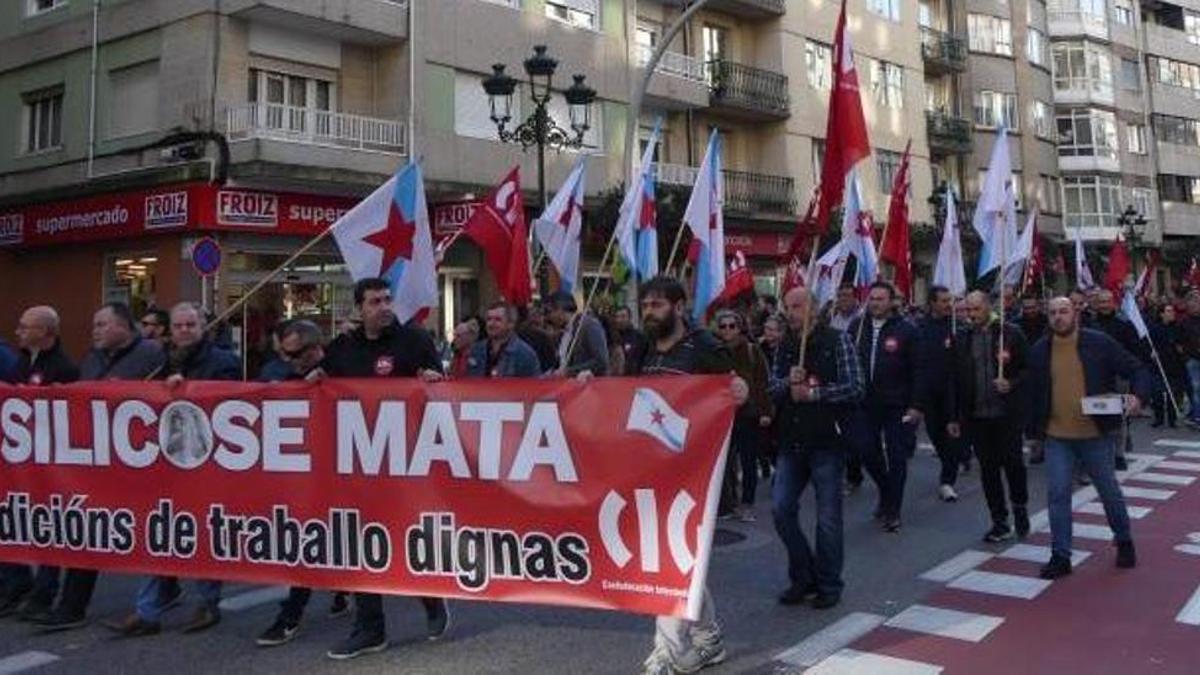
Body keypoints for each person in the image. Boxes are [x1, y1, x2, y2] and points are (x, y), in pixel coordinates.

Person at [617, 276, 748, 675]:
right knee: (676, 558)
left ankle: (668, 652)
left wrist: (739, 388)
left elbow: (738, 389)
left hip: (694, 472)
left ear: (678, 305)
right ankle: (708, 638)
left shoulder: (705, 347)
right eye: (645, 305)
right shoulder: (640, 347)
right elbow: (625, 396)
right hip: (650, 469)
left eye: (657, 304)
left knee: (670, 557)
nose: (649, 312)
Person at [320, 278, 450, 660]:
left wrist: (433, 380)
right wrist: (310, 382)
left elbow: (441, 391)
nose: (383, 306)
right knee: (364, 543)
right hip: (358, 464)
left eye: (387, 299)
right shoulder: (343, 348)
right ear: (359, 308)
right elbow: (321, 389)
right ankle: (370, 629)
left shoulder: (414, 341)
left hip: (407, 460)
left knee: (409, 539)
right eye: (374, 301)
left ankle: (430, 597)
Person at [106, 302, 239, 638]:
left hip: (205, 464)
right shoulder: (161, 361)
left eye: (190, 325)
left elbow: (231, 406)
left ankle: (208, 601)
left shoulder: (223, 362)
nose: (183, 331)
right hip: (165, 462)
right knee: (157, 533)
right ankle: (146, 611)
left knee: (201, 535)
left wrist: (187, 390)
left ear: (203, 326)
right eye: (178, 325)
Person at [36, 302, 166, 632]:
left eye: (102, 324)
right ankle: (70, 604)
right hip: (98, 461)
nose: (95, 330)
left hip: (141, 461)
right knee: (86, 526)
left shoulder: (152, 356)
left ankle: (157, 600)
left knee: (153, 531)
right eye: (94, 324)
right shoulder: (92, 358)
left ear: (124, 327)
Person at [1027, 298, 1152, 579]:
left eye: (1064, 312)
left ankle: (1124, 541)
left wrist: (1138, 396)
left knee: (1109, 492)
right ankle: (1061, 555)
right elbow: (1033, 393)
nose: (1058, 317)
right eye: (1053, 313)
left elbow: (1138, 369)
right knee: (1058, 495)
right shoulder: (1039, 351)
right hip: (1057, 437)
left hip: (1095, 435)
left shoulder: (1099, 343)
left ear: (1076, 315)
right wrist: (1033, 433)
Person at [254, 320, 351, 647]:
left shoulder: (340, 367)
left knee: (335, 534)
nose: (287, 360)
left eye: (294, 354)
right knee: (306, 542)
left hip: (340, 469)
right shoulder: (277, 369)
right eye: (283, 352)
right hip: (299, 471)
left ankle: (299, 611)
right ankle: (294, 612)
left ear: (314, 349)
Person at [771, 286, 863, 612]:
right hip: (791, 441)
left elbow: (854, 386)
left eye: (798, 306)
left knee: (828, 518)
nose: (792, 312)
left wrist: (815, 392)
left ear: (813, 307)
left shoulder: (838, 340)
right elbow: (772, 386)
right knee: (781, 509)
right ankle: (803, 573)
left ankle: (828, 582)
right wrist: (787, 383)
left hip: (827, 440)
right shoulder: (784, 346)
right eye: (788, 306)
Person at [0, 306, 79, 620]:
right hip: (21, 459)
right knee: (13, 520)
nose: (18, 331)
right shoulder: (22, 362)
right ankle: (15, 584)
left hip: (51, 462)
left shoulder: (64, 368)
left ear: (45, 332)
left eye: (24, 326)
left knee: (50, 526)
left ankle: (44, 592)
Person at [948, 291, 1031, 543]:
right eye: (967, 311)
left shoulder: (1010, 333)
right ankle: (999, 520)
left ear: (988, 307)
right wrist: (954, 417)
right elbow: (954, 380)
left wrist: (1012, 383)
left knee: (1013, 464)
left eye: (976, 310)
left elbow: (1029, 369)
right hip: (977, 416)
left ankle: (1019, 507)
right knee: (988, 469)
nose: (971, 315)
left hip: (1006, 414)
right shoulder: (961, 338)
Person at [846, 282, 924, 533]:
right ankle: (885, 489)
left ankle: (893, 510)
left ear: (891, 301)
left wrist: (916, 405)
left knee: (897, 456)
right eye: (872, 299)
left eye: (880, 299)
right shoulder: (857, 327)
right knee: (866, 450)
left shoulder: (907, 330)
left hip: (897, 404)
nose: (875, 303)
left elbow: (919, 371)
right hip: (865, 403)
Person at [713, 309, 772, 522]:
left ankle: (747, 503)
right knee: (726, 462)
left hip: (748, 414)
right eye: (723, 326)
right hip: (722, 416)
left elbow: (763, 381)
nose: (727, 330)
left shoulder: (751, 350)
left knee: (748, 461)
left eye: (732, 325)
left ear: (740, 328)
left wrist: (765, 411)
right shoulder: (713, 352)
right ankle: (729, 503)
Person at [916, 285, 964, 502]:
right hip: (929, 393)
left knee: (952, 435)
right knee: (936, 434)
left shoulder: (957, 327)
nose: (948, 305)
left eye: (949, 300)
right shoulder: (920, 328)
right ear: (932, 303)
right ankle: (952, 461)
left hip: (952, 391)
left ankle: (947, 481)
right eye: (943, 301)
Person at [1092, 289, 1146, 471]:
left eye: (1107, 301)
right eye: (1101, 302)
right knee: (1097, 414)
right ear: (1096, 304)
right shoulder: (1090, 324)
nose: (1104, 305)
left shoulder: (1124, 324)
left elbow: (1136, 351)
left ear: (1113, 302)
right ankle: (1099, 451)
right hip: (1096, 377)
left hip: (1119, 376)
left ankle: (1119, 455)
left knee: (1119, 416)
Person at [468, 301, 541, 378]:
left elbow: (533, 386)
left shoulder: (524, 354)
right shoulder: (476, 350)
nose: (491, 324)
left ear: (511, 324)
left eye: (498, 320)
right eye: (489, 319)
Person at [546, 290, 609, 377]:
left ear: (560, 309)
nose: (548, 317)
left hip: (587, 387)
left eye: (550, 311)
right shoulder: (562, 332)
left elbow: (601, 362)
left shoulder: (589, 325)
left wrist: (569, 372)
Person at [1150, 303, 1188, 428]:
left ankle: (1172, 419)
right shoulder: (1155, 328)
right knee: (1157, 393)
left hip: (1175, 365)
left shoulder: (1177, 327)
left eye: (1172, 311)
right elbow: (1149, 344)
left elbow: (1182, 342)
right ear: (1162, 314)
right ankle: (1159, 418)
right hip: (1159, 365)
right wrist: (1152, 352)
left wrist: (1181, 349)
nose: (1172, 313)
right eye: (1168, 311)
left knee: (1174, 393)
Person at [1181, 290, 1200, 427]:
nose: (1195, 305)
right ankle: (1197, 416)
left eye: (1197, 302)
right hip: (1192, 360)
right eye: (1192, 302)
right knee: (1196, 388)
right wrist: (1187, 356)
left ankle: (1193, 413)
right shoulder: (1184, 322)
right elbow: (1180, 343)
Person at [613, 305, 648, 375]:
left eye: (623, 316)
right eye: (617, 317)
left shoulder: (639, 337)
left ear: (629, 318)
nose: (619, 320)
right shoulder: (611, 337)